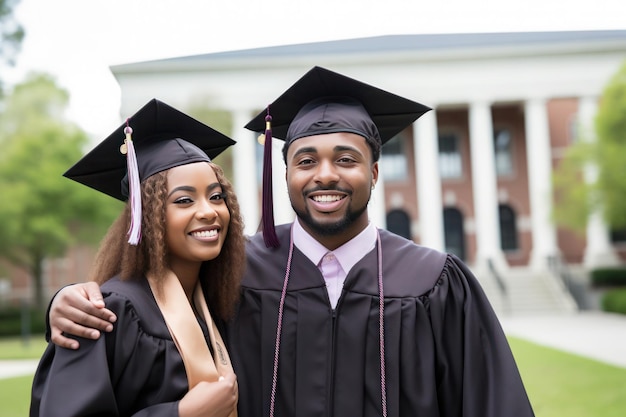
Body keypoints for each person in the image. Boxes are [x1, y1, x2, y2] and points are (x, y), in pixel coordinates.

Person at [46, 67, 535, 417]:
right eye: (305, 161)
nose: (325, 175)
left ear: (375, 172)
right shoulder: (235, 275)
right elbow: (149, 298)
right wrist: (70, 299)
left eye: (346, 159)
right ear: (284, 174)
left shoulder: (434, 282)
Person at [30, 99, 245, 417]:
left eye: (217, 196)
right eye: (184, 200)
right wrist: (179, 415)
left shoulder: (218, 300)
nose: (208, 211)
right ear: (146, 216)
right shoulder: (106, 313)